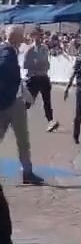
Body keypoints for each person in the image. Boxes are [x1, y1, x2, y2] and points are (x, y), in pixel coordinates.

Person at [0, 26, 43, 185]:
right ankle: (27, 172)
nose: (23, 38)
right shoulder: (8, 52)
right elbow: (6, 70)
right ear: (15, 37)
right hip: (11, 102)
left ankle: (28, 171)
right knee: (22, 139)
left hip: (7, 100)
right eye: (21, 36)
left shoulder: (5, 50)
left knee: (20, 139)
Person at [23, 28, 58, 132]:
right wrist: (37, 64)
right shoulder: (29, 49)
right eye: (37, 35)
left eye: (40, 35)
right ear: (32, 36)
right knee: (28, 102)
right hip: (33, 78)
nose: (39, 37)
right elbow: (26, 65)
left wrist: (40, 64)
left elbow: (46, 64)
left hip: (43, 77)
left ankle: (50, 121)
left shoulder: (44, 48)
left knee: (47, 101)